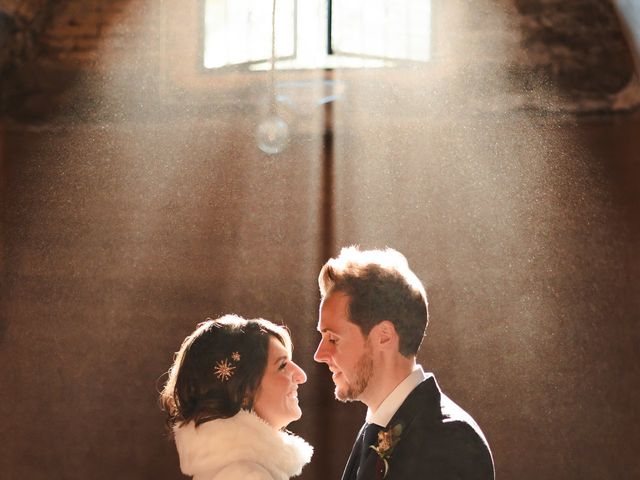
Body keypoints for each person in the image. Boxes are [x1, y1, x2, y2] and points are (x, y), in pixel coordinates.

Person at [314, 246, 494, 480]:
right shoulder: (376, 430)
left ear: (384, 336)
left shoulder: (448, 440)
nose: (320, 353)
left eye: (333, 338)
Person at [160, 314, 312, 480]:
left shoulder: (237, 469)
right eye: (282, 365)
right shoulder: (245, 475)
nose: (301, 375)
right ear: (242, 390)